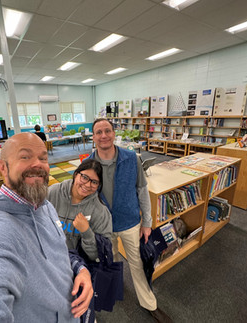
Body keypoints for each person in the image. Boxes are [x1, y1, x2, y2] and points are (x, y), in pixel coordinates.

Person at [0, 132, 93, 323]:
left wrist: (80, 269)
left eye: (43, 157)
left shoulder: (44, 205)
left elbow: (58, 251)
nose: (38, 164)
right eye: (25, 156)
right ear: (3, 168)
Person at [88, 118, 172, 323]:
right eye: (98, 132)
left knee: (137, 263)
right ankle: (116, 288)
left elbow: (142, 192)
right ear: (93, 137)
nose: (103, 135)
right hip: (104, 226)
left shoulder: (131, 158)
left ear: (114, 133)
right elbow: (85, 198)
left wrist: (147, 222)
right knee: (112, 260)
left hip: (130, 222)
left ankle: (149, 303)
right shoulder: (88, 164)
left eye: (107, 130)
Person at [48, 159, 113, 261]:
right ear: (75, 175)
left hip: (79, 267)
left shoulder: (100, 212)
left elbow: (99, 256)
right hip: (48, 259)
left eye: (94, 182)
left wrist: (86, 232)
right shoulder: (53, 193)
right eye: (84, 177)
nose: (87, 185)